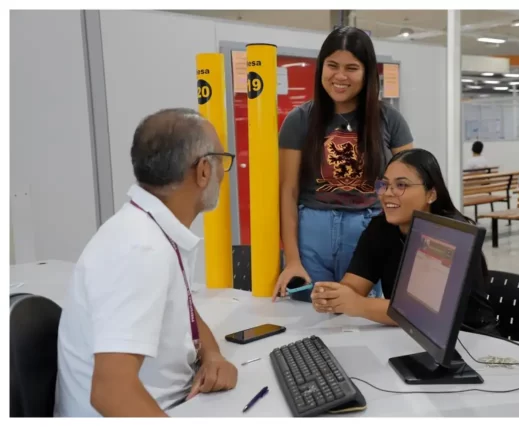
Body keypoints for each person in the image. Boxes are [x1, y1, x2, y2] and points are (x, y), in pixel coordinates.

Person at [55, 108, 238, 417]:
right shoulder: (140, 249)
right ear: (203, 171)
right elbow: (111, 393)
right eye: (222, 160)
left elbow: (183, 308)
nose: (223, 173)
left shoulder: (150, 227)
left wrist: (213, 355)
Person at [274, 26, 414, 302]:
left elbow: (408, 187)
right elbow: (288, 191)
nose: (340, 76)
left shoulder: (390, 120)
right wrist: (292, 259)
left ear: (367, 73)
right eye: (332, 65)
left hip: (368, 231)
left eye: (351, 68)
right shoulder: (299, 120)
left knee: (360, 316)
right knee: (309, 313)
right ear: (321, 68)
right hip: (312, 233)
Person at [309, 148, 497, 333]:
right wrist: (333, 296)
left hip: (469, 340)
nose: (388, 193)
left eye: (401, 185)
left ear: (431, 194)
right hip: (412, 336)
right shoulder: (380, 227)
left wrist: (358, 304)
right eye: (384, 185)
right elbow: (353, 287)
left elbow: (419, 312)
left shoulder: (451, 235)